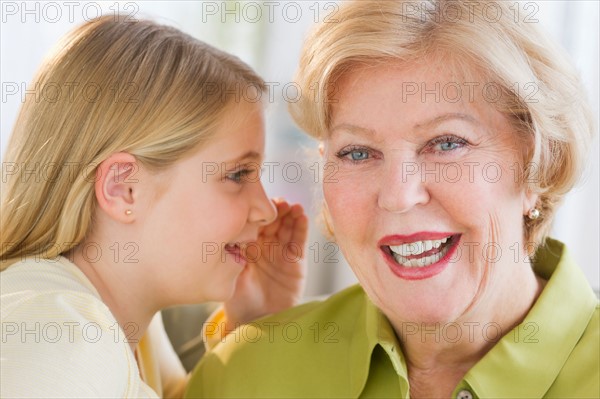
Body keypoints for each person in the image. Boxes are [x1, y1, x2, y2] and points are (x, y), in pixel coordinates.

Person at [185, 0, 599, 398]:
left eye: (446, 143)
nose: (399, 197)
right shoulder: (243, 373)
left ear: (535, 165)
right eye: (358, 153)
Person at [0, 15, 308, 398]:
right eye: (237, 174)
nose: (267, 210)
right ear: (124, 189)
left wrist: (249, 325)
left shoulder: (128, 327)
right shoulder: (65, 341)